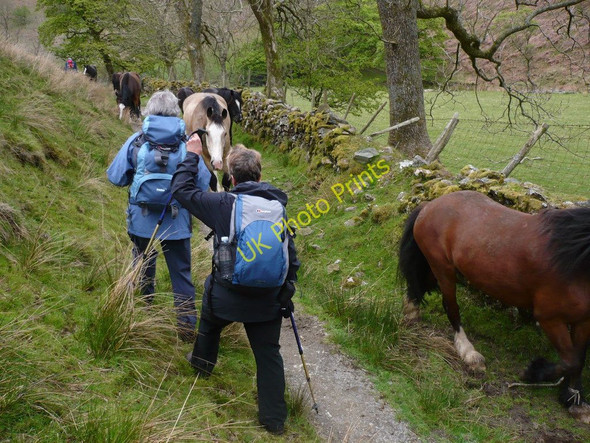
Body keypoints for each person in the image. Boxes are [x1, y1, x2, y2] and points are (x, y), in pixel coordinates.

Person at [171, 141, 300, 435]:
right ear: (260, 174)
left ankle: (202, 366)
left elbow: (181, 191)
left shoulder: (224, 204)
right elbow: (290, 256)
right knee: (269, 354)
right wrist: (285, 293)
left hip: (226, 297)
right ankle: (274, 421)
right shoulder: (278, 208)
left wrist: (192, 156)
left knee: (210, 321)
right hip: (267, 302)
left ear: (231, 177)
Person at [106, 90, 211, 342]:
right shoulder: (189, 144)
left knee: (142, 263)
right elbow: (204, 183)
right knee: (181, 274)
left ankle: (144, 312)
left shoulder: (137, 141)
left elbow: (116, 177)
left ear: (149, 111)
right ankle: (186, 328)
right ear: (176, 112)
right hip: (176, 222)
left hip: (141, 221)